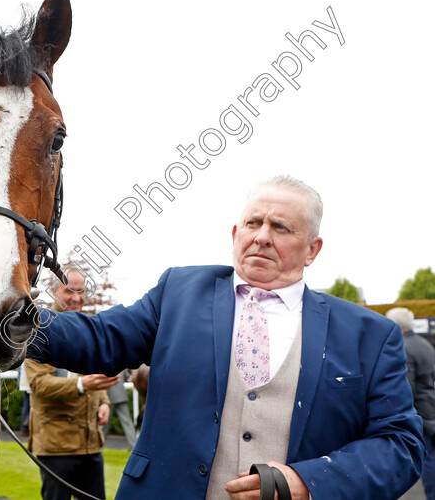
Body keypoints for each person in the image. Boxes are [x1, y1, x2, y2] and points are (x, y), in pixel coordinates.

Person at [30, 175, 424, 499]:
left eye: (280, 227)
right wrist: (14, 318)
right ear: (236, 233)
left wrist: (308, 482)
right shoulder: (178, 291)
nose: (262, 236)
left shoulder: (369, 334)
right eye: (253, 223)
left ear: (312, 250)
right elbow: (99, 338)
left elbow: (401, 446)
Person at [27, 268, 119, 500]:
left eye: (81, 291)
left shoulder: (91, 326)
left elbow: (97, 376)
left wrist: (105, 402)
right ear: (55, 291)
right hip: (55, 446)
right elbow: (39, 384)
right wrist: (82, 385)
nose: (76, 298)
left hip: (90, 444)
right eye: (69, 291)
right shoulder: (38, 328)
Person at [387, 306, 435, 500]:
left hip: (422, 414)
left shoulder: (403, 348)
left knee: (428, 460)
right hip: (431, 408)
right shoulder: (424, 344)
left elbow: (406, 388)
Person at [102, 370, 137, 450]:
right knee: (127, 423)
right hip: (121, 396)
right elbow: (127, 377)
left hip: (108, 398)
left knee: (104, 424)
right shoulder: (121, 364)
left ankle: (97, 446)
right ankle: (134, 447)